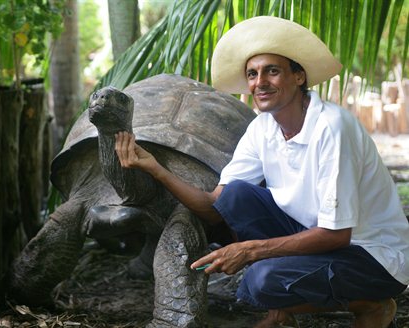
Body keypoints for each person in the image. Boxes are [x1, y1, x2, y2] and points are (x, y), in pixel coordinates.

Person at [114, 16, 409, 328]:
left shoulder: (332, 128)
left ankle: (371, 305)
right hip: (320, 238)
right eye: (252, 74)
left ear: (298, 76)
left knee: (262, 280)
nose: (260, 82)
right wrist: (154, 168)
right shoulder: (262, 128)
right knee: (238, 195)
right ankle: (281, 312)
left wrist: (250, 250)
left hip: (374, 257)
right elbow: (213, 207)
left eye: (272, 70)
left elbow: (337, 233)